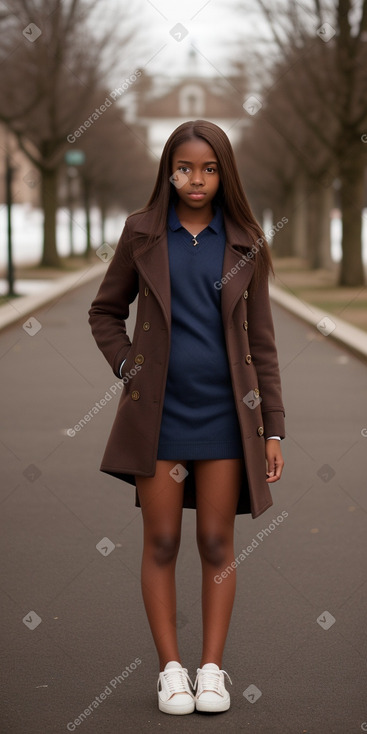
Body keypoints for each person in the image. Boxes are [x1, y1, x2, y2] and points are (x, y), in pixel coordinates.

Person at [88, 119, 285, 716]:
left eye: (207, 168)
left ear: (223, 172)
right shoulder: (142, 233)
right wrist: (131, 368)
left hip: (226, 417)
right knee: (164, 539)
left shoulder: (246, 238)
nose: (194, 180)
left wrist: (273, 427)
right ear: (167, 171)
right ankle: (171, 671)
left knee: (217, 540)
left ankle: (212, 671)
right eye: (183, 168)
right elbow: (104, 311)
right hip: (160, 417)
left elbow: (263, 342)